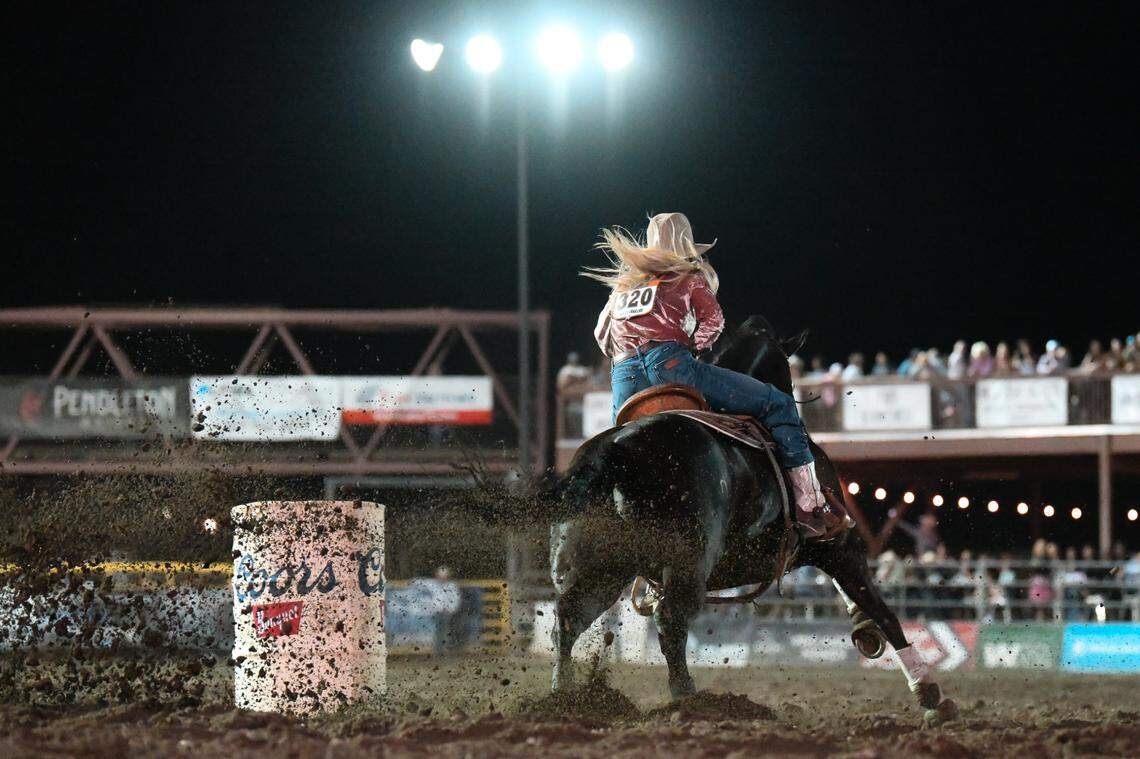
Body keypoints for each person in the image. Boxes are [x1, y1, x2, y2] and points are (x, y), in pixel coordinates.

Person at [587, 212, 847, 538]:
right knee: (778, 403)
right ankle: (810, 506)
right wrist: (691, 349)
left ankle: (608, 523)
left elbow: (601, 335)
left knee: (618, 448)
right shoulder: (688, 275)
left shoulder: (624, 286)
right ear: (685, 243)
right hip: (671, 367)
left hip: (625, 380)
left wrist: (629, 356)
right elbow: (713, 322)